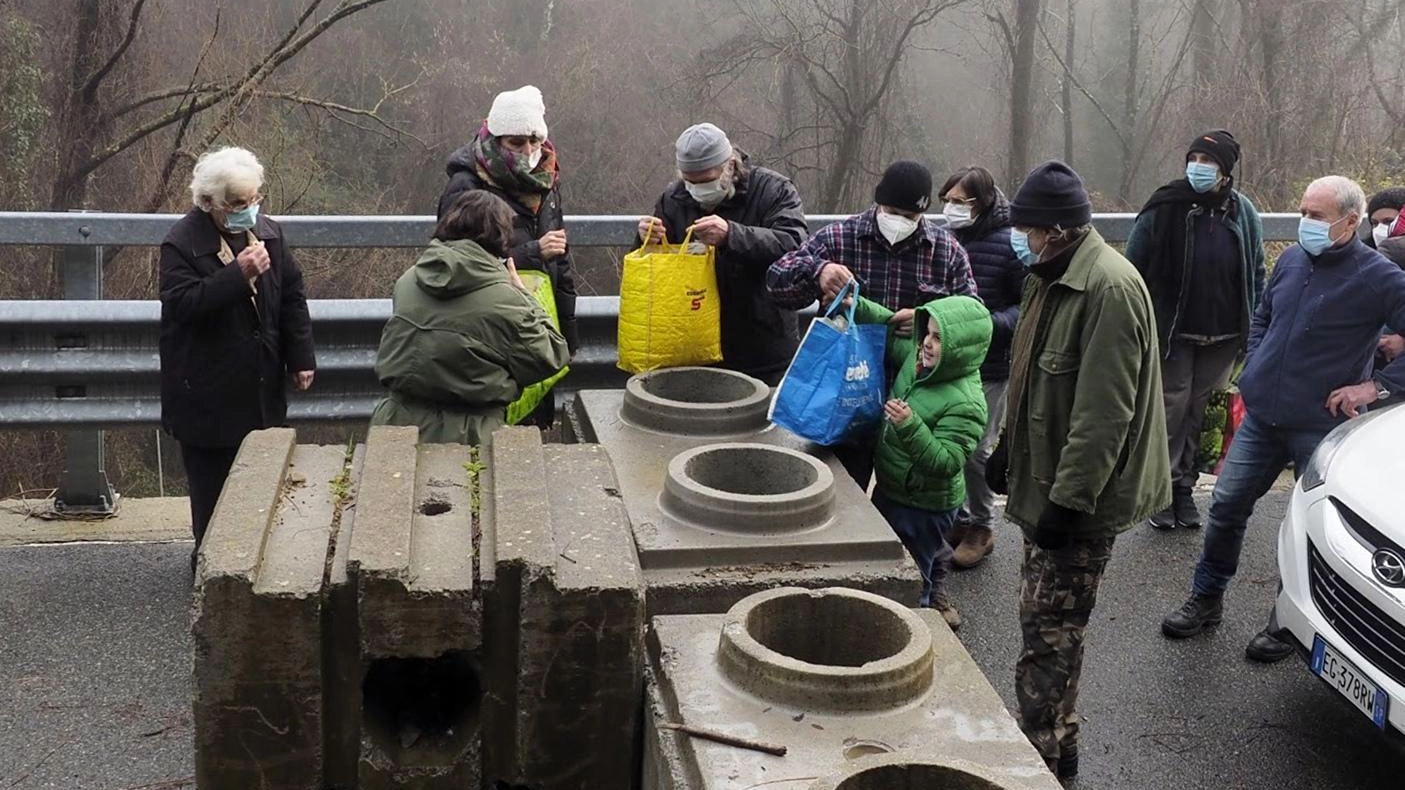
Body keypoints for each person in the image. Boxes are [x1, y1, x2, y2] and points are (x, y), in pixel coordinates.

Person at [1160, 175, 1405, 662]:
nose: (1304, 224)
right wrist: (1256, 362)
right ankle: (1206, 598)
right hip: (1263, 416)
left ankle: (1288, 623)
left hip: (1321, 424)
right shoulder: (1292, 259)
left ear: (1350, 222)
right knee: (1227, 505)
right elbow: (1265, 314)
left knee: (1312, 528)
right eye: (1302, 212)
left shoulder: (1379, 277)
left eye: (1316, 216)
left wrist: (1374, 387)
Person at [984, 161, 1168, 780]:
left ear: (1058, 230)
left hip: (1081, 502)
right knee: (1053, 632)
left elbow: (1103, 416)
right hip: (1049, 486)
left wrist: (1067, 503)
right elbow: (1032, 371)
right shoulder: (1048, 275)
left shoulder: (1108, 291)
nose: (1020, 239)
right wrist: (1007, 449)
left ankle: (1034, 764)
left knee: (1046, 637)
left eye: (1027, 229)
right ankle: (1059, 753)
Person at [767, 160, 977, 486]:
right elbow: (777, 282)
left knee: (905, 501)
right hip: (845, 397)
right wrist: (818, 271)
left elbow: (972, 319)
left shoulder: (946, 251)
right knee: (840, 492)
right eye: (893, 211)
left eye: (910, 217)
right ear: (879, 202)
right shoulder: (840, 237)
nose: (899, 222)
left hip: (913, 403)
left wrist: (932, 319)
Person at [159, 146, 316, 558]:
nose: (248, 210)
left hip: (260, 384)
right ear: (209, 202)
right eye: (237, 204)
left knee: (260, 482)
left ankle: (253, 564)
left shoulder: (268, 232)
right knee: (211, 489)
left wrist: (300, 357)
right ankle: (210, 565)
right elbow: (184, 305)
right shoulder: (181, 243)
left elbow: (292, 296)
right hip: (206, 391)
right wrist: (237, 274)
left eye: (254, 200)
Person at [1125, 130, 1266, 531]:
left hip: (1223, 336)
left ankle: (1186, 486)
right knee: (1171, 409)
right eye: (1195, 158)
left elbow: (1256, 270)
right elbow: (1132, 268)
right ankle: (1162, 489)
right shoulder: (1164, 207)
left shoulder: (1243, 212)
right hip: (1172, 333)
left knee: (1204, 415)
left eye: (1209, 161)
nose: (1199, 167)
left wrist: (1254, 329)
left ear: (1225, 170)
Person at [371, 190, 570, 445]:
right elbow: (552, 355)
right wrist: (524, 295)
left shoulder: (409, 279)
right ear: (500, 235)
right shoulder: (506, 299)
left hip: (395, 425)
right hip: (471, 434)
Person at [852, 293, 992, 629]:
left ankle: (919, 621)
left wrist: (909, 425)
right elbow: (890, 329)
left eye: (939, 338)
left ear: (962, 347)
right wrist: (855, 304)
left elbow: (945, 462)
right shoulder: (921, 363)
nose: (926, 343)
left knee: (912, 569)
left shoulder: (967, 403)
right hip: (896, 489)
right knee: (925, 552)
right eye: (926, 333)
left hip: (922, 503)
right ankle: (935, 577)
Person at [439, 85, 576, 427]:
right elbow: (453, 261)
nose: (528, 151)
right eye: (516, 143)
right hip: (488, 329)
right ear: (496, 139)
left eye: (534, 141)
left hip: (536, 324)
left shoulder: (546, 179)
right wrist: (531, 252)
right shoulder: (467, 186)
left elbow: (560, 259)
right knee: (497, 435)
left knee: (533, 426)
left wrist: (566, 336)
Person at [637, 123, 807, 385]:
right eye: (690, 181)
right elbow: (655, 268)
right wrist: (646, 239)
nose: (696, 189)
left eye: (706, 181)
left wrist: (732, 235)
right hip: (694, 342)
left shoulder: (773, 190)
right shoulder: (673, 198)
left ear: (730, 165)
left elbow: (794, 244)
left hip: (762, 344)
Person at [937, 166, 1026, 567]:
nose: (950, 208)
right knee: (949, 443)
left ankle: (982, 525)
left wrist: (987, 325)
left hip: (990, 364)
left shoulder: (1010, 245)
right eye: (948, 200)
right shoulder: (945, 239)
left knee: (975, 449)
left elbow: (1026, 307)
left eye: (960, 202)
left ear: (982, 202)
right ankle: (958, 516)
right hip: (947, 361)